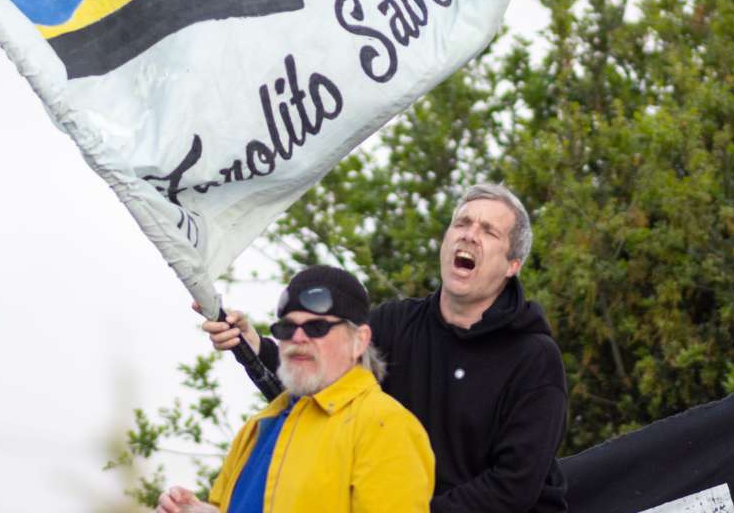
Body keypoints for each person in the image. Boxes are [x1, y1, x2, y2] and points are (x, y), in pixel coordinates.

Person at [202, 184, 568, 512]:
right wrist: (252, 346)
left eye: (488, 231)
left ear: (512, 265)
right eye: (462, 223)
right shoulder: (395, 323)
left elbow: (513, 488)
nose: (469, 236)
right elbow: (321, 384)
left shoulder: (534, 357)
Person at [159, 265, 434, 513]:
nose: (298, 338)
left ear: (359, 340)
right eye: (287, 328)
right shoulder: (259, 425)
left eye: (316, 327)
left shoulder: (385, 427)